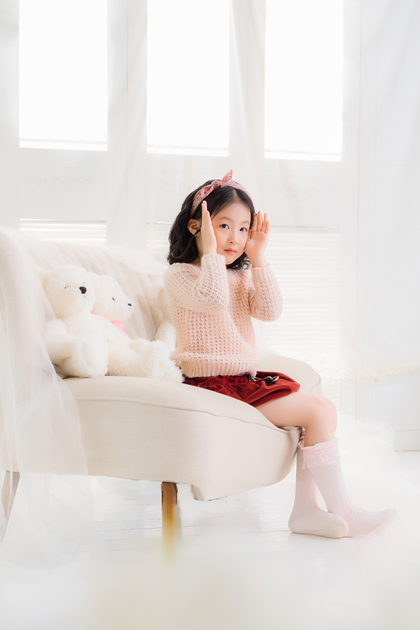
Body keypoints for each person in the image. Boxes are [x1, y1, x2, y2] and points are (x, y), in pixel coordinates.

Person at [164, 170, 396, 538]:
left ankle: (306, 510)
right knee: (317, 410)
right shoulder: (181, 275)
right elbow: (213, 299)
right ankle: (341, 512)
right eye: (223, 226)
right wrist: (209, 254)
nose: (235, 238)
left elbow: (270, 310)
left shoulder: (238, 275)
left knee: (324, 409)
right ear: (196, 227)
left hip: (242, 381)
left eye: (244, 228)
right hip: (210, 384)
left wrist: (258, 258)